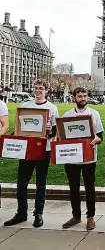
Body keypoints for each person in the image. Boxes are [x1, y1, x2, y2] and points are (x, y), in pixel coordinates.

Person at [3, 79, 59, 228]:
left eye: (41, 88)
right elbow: (19, 128)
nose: (38, 91)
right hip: (26, 149)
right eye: (36, 88)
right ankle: (21, 213)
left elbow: (54, 131)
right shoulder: (25, 106)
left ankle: (38, 214)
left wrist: (48, 131)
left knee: (41, 184)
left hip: (43, 149)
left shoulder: (52, 108)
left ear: (46, 91)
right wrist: (11, 138)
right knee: (21, 183)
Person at [61, 87, 104, 231]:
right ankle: (76, 216)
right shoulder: (67, 114)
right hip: (72, 157)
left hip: (89, 158)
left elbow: (100, 136)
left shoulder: (94, 113)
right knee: (73, 188)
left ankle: (90, 217)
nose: (82, 98)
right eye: (79, 96)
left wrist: (96, 140)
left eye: (84, 95)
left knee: (89, 187)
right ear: (74, 97)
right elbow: (62, 136)